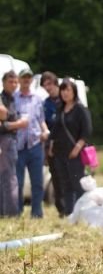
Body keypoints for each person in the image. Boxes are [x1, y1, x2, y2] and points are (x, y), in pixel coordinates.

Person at [48, 78, 92, 216]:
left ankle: (83, 212)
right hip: (59, 152)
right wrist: (51, 144)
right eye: (63, 90)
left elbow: (87, 130)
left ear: (74, 92)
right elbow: (55, 130)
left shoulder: (80, 109)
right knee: (65, 184)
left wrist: (78, 147)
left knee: (77, 183)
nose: (65, 93)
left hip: (75, 153)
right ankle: (69, 213)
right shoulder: (60, 109)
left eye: (68, 90)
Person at [15, 68, 50, 218]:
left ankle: (36, 212)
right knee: (19, 182)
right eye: (24, 78)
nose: (26, 80)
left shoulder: (37, 99)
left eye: (29, 78)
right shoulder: (13, 98)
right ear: (19, 79)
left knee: (37, 182)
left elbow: (41, 119)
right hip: (18, 146)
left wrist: (45, 131)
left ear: (31, 80)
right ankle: (17, 211)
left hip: (35, 144)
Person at [1, 71, 28, 217]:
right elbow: (2, 125)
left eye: (15, 82)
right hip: (5, 141)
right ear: (3, 82)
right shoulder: (2, 100)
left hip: (10, 141)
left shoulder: (12, 99)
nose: (14, 84)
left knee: (5, 177)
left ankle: (4, 212)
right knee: (10, 178)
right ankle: (11, 214)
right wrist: (19, 124)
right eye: (10, 81)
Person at [41, 71, 65, 216]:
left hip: (66, 146)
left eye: (49, 84)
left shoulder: (67, 100)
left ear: (55, 83)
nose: (47, 87)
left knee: (67, 176)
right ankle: (61, 209)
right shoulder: (46, 104)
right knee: (56, 177)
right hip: (52, 146)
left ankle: (72, 207)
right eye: (44, 85)